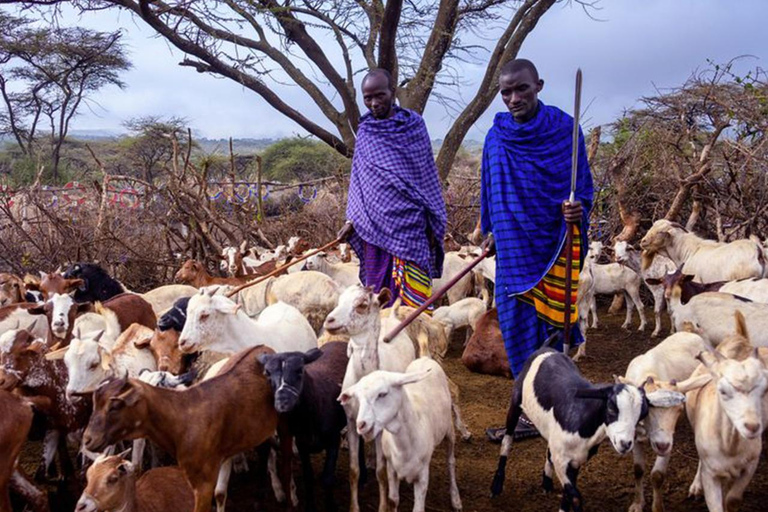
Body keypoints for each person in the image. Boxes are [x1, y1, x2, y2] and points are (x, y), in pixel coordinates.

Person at [481, 59, 594, 440]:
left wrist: (578, 211)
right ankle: (531, 408)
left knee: (553, 325)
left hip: (552, 241)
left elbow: (583, 187)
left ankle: (557, 404)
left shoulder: (565, 130)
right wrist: (490, 228)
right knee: (514, 323)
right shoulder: (496, 137)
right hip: (512, 245)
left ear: (539, 86)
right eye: (506, 92)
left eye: (522, 89)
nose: (513, 98)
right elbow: (490, 187)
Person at [338, 68, 446, 310]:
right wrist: (351, 220)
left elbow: (426, 176)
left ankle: (416, 342)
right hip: (374, 230)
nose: (374, 103)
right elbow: (358, 180)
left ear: (393, 92)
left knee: (413, 305)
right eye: (368, 98)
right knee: (379, 298)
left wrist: (431, 221)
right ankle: (382, 344)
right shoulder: (365, 132)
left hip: (411, 227)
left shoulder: (414, 127)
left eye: (380, 95)